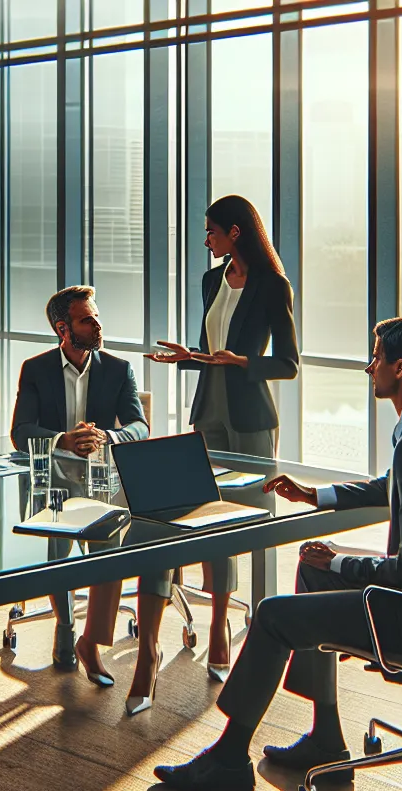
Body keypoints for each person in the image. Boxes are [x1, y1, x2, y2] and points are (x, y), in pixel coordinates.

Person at [154, 316, 402, 791]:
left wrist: (338, 561)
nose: (370, 368)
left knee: (273, 615)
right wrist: (315, 496)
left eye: (377, 358)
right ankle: (326, 738)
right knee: (312, 574)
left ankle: (228, 758)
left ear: (401, 369)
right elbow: (393, 486)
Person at [147, 195, 301, 685]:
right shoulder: (211, 280)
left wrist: (243, 362)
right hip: (208, 409)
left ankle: (244, 622)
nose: (206, 240)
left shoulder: (273, 285)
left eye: (211, 230)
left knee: (250, 518)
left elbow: (289, 364)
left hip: (250, 416)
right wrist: (187, 356)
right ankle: (217, 621)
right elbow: (210, 352)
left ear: (235, 232)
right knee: (210, 516)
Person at [9, 286, 152, 692]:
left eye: (96, 317)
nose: (97, 325)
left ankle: (92, 641)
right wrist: (63, 440)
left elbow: (140, 426)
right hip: (53, 480)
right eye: (87, 320)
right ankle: (65, 626)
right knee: (57, 551)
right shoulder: (35, 369)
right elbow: (21, 431)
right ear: (63, 329)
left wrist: (107, 436)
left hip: (101, 481)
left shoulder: (118, 369)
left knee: (107, 557)